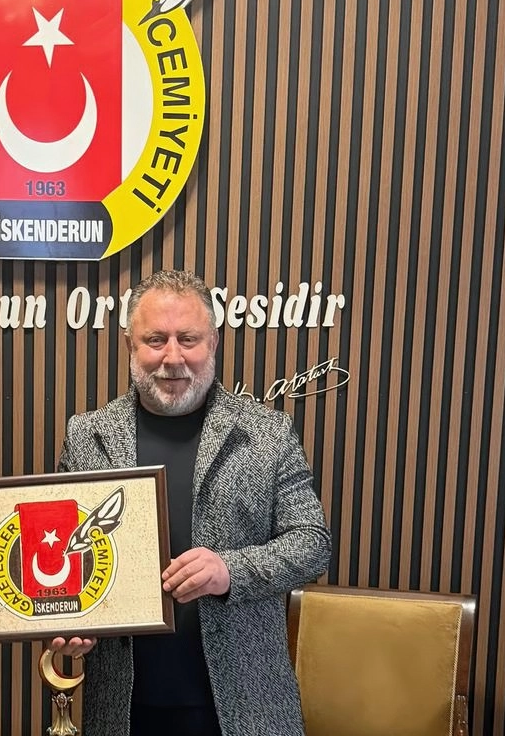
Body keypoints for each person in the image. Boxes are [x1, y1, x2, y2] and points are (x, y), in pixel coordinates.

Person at [51, 269, 331, 736]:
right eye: (155, 340)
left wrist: (229, 571)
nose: (173, 358)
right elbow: (67, 553)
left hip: (246, 708)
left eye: (188, 339)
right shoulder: (87, 436)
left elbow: (312, 544)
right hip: (123, 709)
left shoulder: (267, 433)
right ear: (130, 345)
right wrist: (72, 620)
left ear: (213, 343)